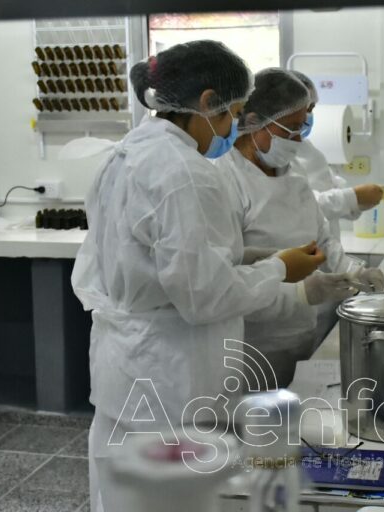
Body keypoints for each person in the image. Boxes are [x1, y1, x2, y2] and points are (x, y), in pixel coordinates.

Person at [71, 42, 325, 512]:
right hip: (170, 375)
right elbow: (204, 296)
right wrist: (280, 270)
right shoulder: (187, 172)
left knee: (120, 493)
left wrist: (255, 256)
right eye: (232, 115)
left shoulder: (128, 153)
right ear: (207, 102)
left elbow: (157, 258)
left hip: (125, 363)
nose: (231, 130)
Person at [214, 68, 384, 387]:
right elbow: (227, 276)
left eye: (302, 127)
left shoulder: (293, 174)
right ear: (254, 122)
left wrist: (352, 270)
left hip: (303, 332)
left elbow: (322, 238)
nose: (298, 140)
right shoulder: (225, 180)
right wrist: (301, 293)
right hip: (250, 344)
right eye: (291, 129)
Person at [289, 70, 384, 240]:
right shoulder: (273, 154)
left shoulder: (308, 148)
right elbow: (296, 206)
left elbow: (328, 185)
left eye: (311, 109)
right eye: (304, 109)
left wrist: (358, 202)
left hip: (324, 248)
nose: (308, 116)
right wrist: (352, 198)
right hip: (298, 249)